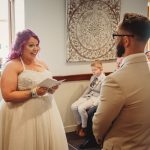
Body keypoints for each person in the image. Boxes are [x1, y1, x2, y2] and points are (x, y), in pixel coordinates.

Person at [0, 29, 68, 150]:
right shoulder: (12, 65)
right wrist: (34, 92)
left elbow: (46, 89)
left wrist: (52, 88)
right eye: (31, 45)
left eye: (37, 45)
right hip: (23, 115)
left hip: (47, 113)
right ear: (20, 47)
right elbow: (7, 95)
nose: (36, 49)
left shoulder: (42, 64)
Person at [93, 13, 150, 150]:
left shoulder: (115, 80)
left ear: (126, 41)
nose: (114, 41)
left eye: (116, 36)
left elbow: (100, 124)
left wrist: (100, 139)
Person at [71, 60, 106, 137]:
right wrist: (81, 97)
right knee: (73, 106)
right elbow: (89, 89)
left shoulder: (104, 79)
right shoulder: (93, 77)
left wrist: (95, 104)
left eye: (95, 70)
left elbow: (102, 94)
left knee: (81, 108)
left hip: (95, 98)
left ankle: (84, 128)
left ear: (101, 69)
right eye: (92, 70)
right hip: (89, 96)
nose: (93, 72)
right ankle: (79, 124)